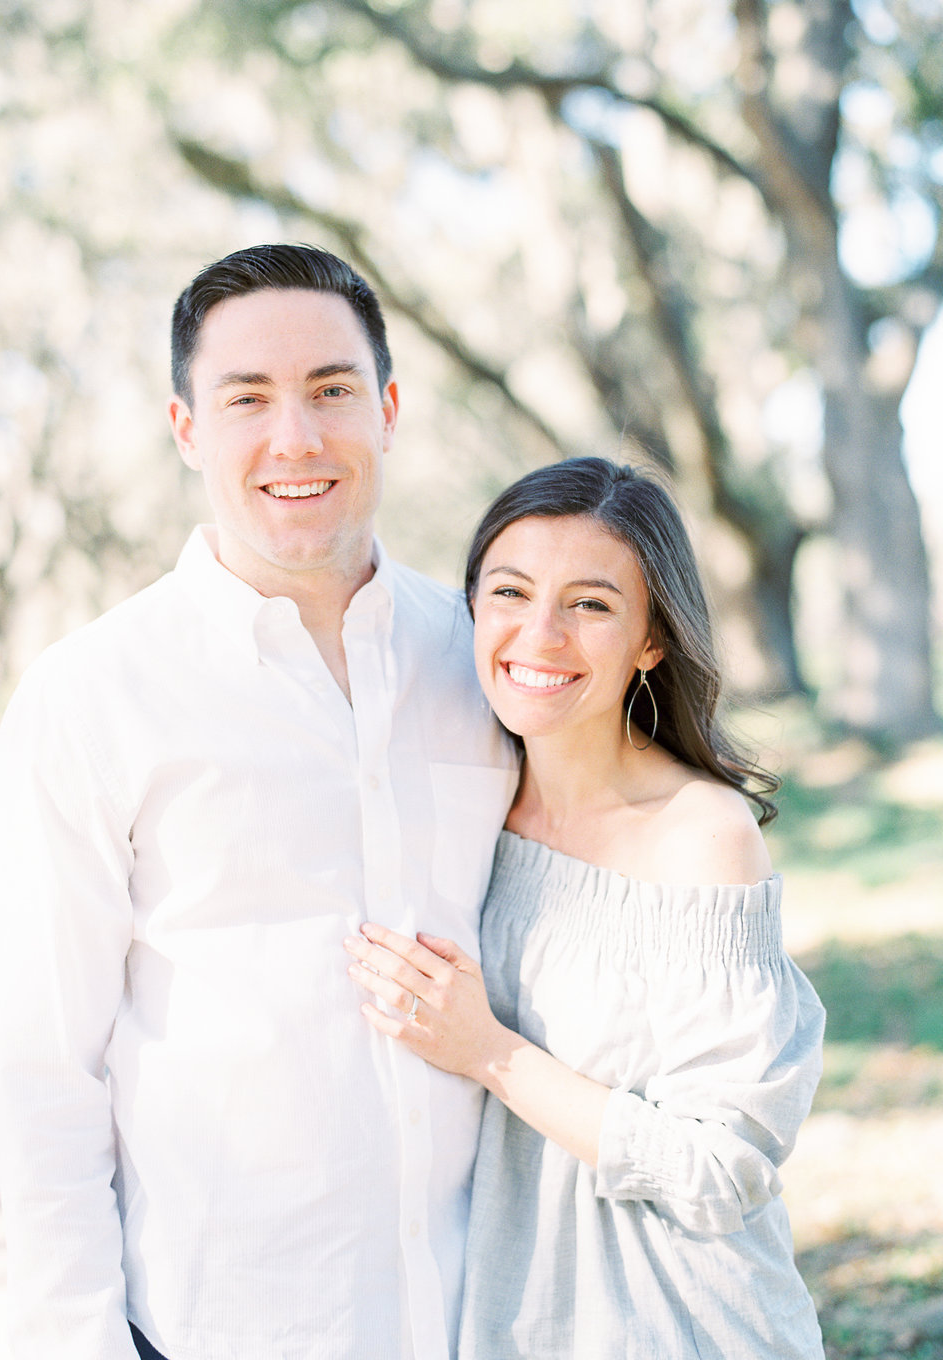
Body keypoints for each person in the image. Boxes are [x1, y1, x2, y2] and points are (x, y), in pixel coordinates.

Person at [0, 244, 517, 1360]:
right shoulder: (93, 695)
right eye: (247, 400)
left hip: (490, 1310)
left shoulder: (488, 660)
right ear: (186, 430)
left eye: (331, 390)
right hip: (226, 1323)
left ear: (388, 411)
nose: (296, 439)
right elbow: (42, 1073)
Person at [345, 456, 826, 1359]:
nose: (540, 634)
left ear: (652, 640)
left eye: (592, 604)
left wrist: (489, 1052)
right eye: (511, 592)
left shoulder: (701, 836)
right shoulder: (472, 805)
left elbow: (728, 1167)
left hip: (682, 1325)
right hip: (510, 1320)